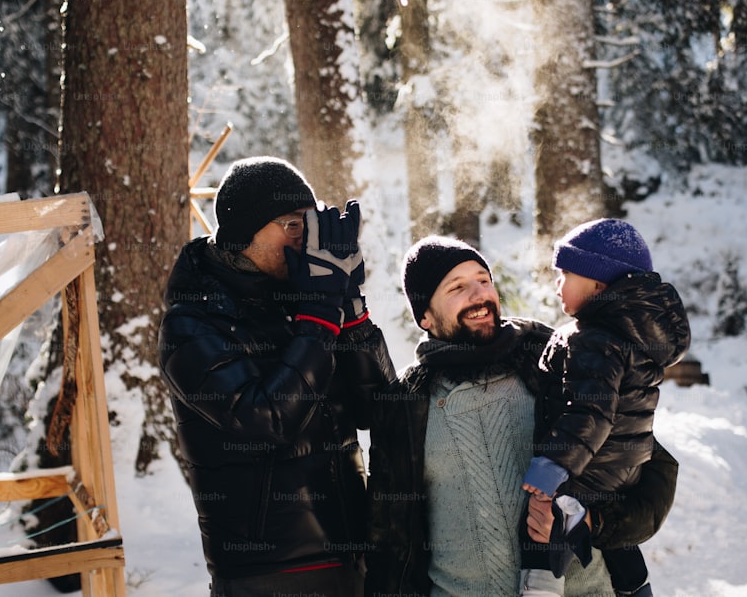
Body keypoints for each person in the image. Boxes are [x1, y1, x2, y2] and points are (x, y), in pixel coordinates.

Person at [365, 235, 680, 597]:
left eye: (484, 280)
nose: (479, 295)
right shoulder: (405, 404)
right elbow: (390, 539)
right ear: (425, 315)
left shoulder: (555, 360)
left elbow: (652, 471)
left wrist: (592, 522)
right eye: (458, 287)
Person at [158, 156, 396, 597]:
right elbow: (267, 421)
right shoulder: (192, 324)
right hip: (267, 573)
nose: (306, 240)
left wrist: (351, 311)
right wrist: (320, 318)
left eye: (310, 224)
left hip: (352, 555)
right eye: (291, 225)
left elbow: (384, 414)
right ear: (243, 233)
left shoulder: (304, 302)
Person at [520, 218, 691, 597]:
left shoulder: (592, 339)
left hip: (587, 470)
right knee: (620, 547)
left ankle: (540, 588)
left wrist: (552, 466)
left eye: (565, 273)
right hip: (625, 469)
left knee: (541, 526)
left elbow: (590, 413)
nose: (557, 283)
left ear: (598, 284)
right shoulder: (635, 338)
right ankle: (635, 588)